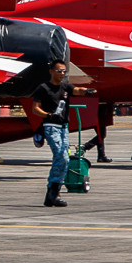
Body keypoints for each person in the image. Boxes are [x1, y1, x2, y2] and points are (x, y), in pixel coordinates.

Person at [32, 59, 92, 207]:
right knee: (62, 157)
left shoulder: (65, 87)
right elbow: (35, 108)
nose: (62, 74)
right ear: (51, 71)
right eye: (59, 71)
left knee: (63, 159)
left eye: (64, 71)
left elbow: (76, 90)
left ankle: (52, 194)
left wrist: (86, 91)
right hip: (51, 127)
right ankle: (53, 193)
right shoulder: (43, 88)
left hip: (63, 128)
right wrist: (48, 115)